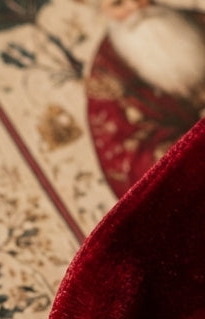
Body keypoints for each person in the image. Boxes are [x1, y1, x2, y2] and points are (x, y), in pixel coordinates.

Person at [87, 0, 205, 196]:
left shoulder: (196, 20)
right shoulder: (107, 72)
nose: (134, 6)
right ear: (103, 12)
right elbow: (128, 161)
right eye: (118, 3)